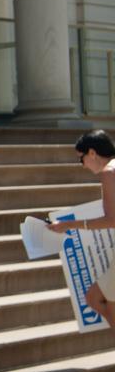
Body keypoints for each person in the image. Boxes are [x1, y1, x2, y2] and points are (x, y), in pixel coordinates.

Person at [49, 130, 115, 324]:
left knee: (99, 301)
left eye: (81, 158)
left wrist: (70, 225)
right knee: (95, 298)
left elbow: (112, 220)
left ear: (92, 153)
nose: (83, 165)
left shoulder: (109, 172)